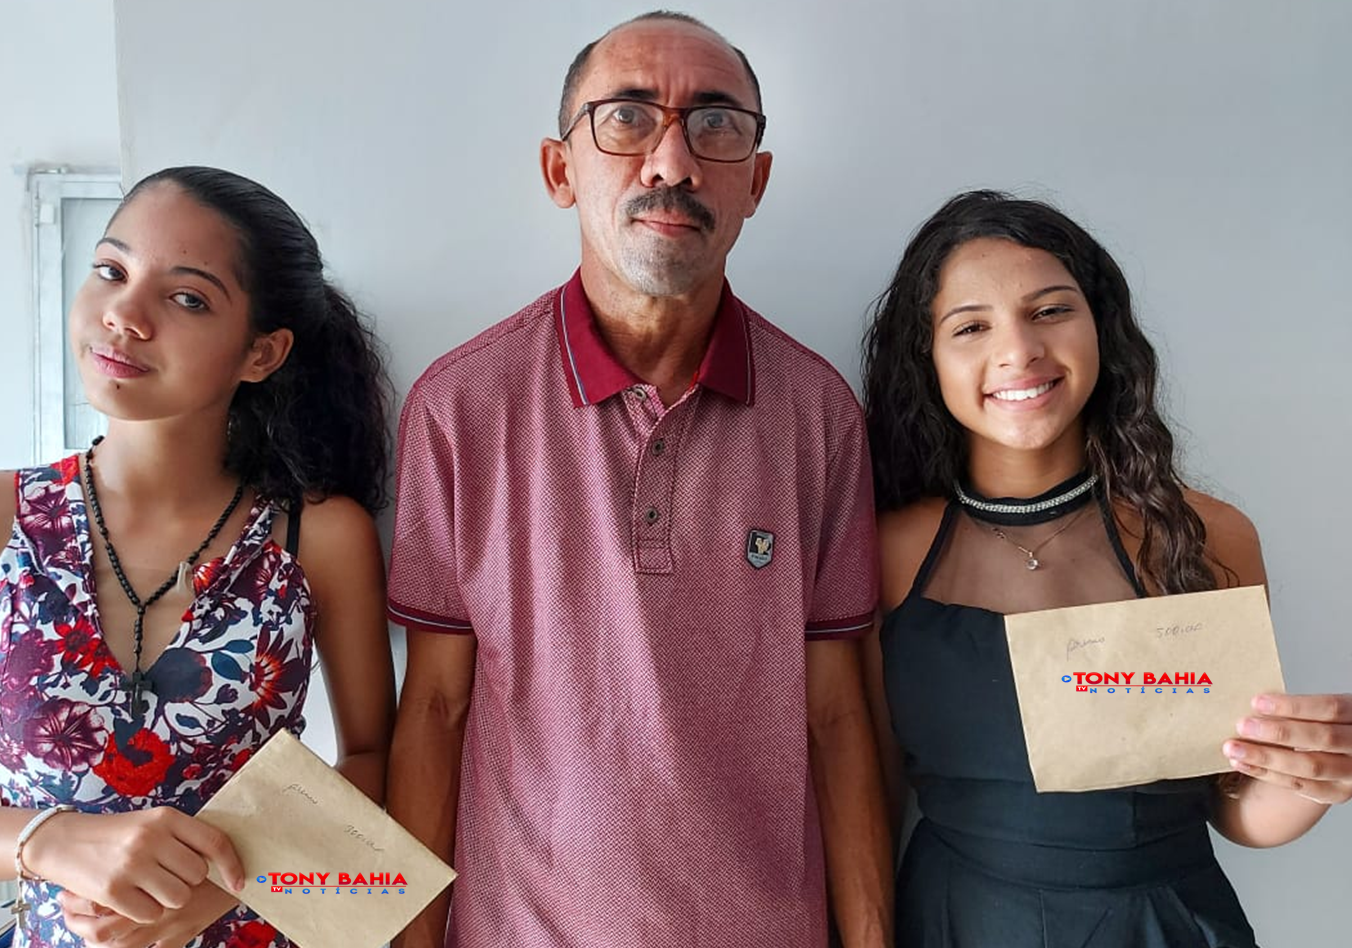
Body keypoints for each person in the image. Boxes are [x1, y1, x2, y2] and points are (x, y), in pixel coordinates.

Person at [384, 11, 893, 948]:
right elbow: (435, 708)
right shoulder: (459, 407)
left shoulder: (819, 414)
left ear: (755, 182)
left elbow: (834, 715)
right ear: (559, 169)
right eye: (625, 118)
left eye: (714, 124)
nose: (671, 163)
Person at [0, 166, 397, 948]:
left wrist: (231, 884)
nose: (123, 314)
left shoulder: (316, 536)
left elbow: (375, 759)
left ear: (261, 353)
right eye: (111, 271)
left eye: (186, 298)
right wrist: (51, 840)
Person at [860, 189, 1352, 947]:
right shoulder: (883, 551)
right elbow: (870, 795)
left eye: (1050, 310)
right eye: (971, 326)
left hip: (1166, 924)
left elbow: (1235, 809)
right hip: (958, 922)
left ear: (1101, 326)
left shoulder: (1205, 535)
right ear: (925, 358)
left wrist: (1316, 775)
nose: (1019, 350)